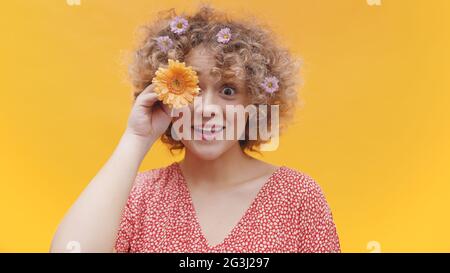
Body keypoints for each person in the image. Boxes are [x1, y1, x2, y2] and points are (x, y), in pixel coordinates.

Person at [50, 5, 340, 253]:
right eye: (191, 87)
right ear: (164, 94)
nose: (205, 109)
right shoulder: (137, 196)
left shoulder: (298, 196)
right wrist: (136, 138)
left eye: (228, 90)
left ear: (255, 102)